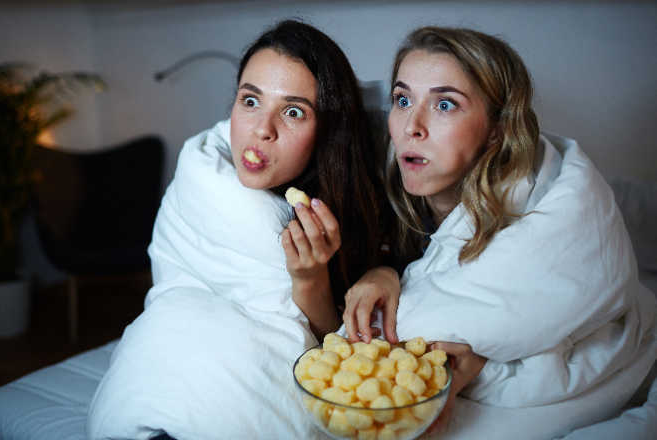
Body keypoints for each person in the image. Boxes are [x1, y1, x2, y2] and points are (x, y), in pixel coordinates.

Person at [341, 26, 656, 436]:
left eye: (445, 105)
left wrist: (485, 366)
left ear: (496, 128)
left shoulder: (538, 219)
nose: (410, 127)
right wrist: (381, 271)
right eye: (403, 100)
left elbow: (545, 320)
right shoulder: (383, 187)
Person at [87, 20, 388, 439]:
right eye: (250, 101)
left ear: (327, 130)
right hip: (158, 382)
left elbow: (326, 347)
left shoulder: (336, 209)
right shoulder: (201, 174)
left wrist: (309, 277)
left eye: (293, 111)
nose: (262, 129)